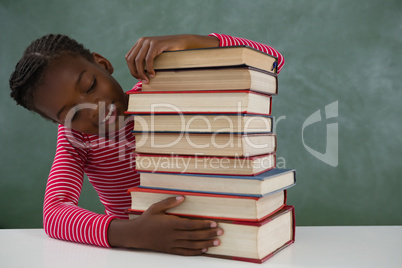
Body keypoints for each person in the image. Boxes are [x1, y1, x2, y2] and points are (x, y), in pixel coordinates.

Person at [9, 33, 284, 255]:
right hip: (142, 253)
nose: (93, 109)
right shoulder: (77, 140)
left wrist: (194, 43)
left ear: (103, 64)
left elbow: (273, 62)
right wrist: (131, 233)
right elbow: (55, 214)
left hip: (225, 239)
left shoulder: (165, 90)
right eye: (73, 114)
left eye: (91, 85)